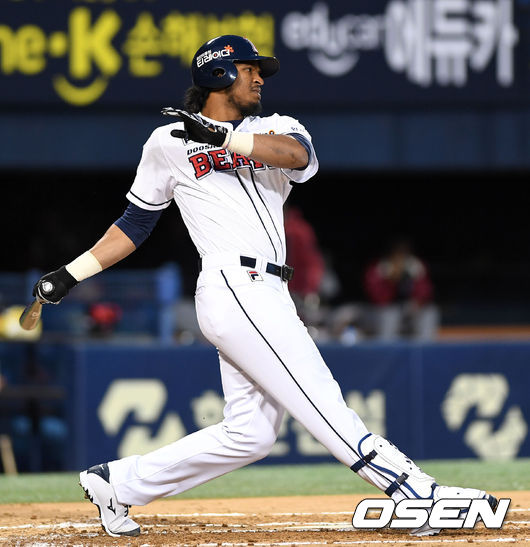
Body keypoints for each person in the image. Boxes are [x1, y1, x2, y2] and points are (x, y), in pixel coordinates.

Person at [33, 35, 495, 538]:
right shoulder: (168, 142)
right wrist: (69, 274)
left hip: (270, 289)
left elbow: (296, 155)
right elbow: (135, 223)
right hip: (233, 284)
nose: (258, 78)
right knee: (321, 399)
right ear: (217, 73)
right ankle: (415, 493)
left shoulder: (274, 127)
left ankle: (117, 483)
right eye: (249, 69)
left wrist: (223, 138)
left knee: (250, 434)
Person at [363, 238, 440, 341]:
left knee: (430, 312)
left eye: (404, 253)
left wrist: (417, 283)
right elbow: (379, 300)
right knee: (390, 314)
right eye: (397, 253)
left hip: (407, 312)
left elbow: (426, 293)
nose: (400, 258)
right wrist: (391, 281)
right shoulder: (379, 269)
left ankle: (424, 347)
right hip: (380, 313)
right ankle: (386, 348)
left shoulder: (415, 267)